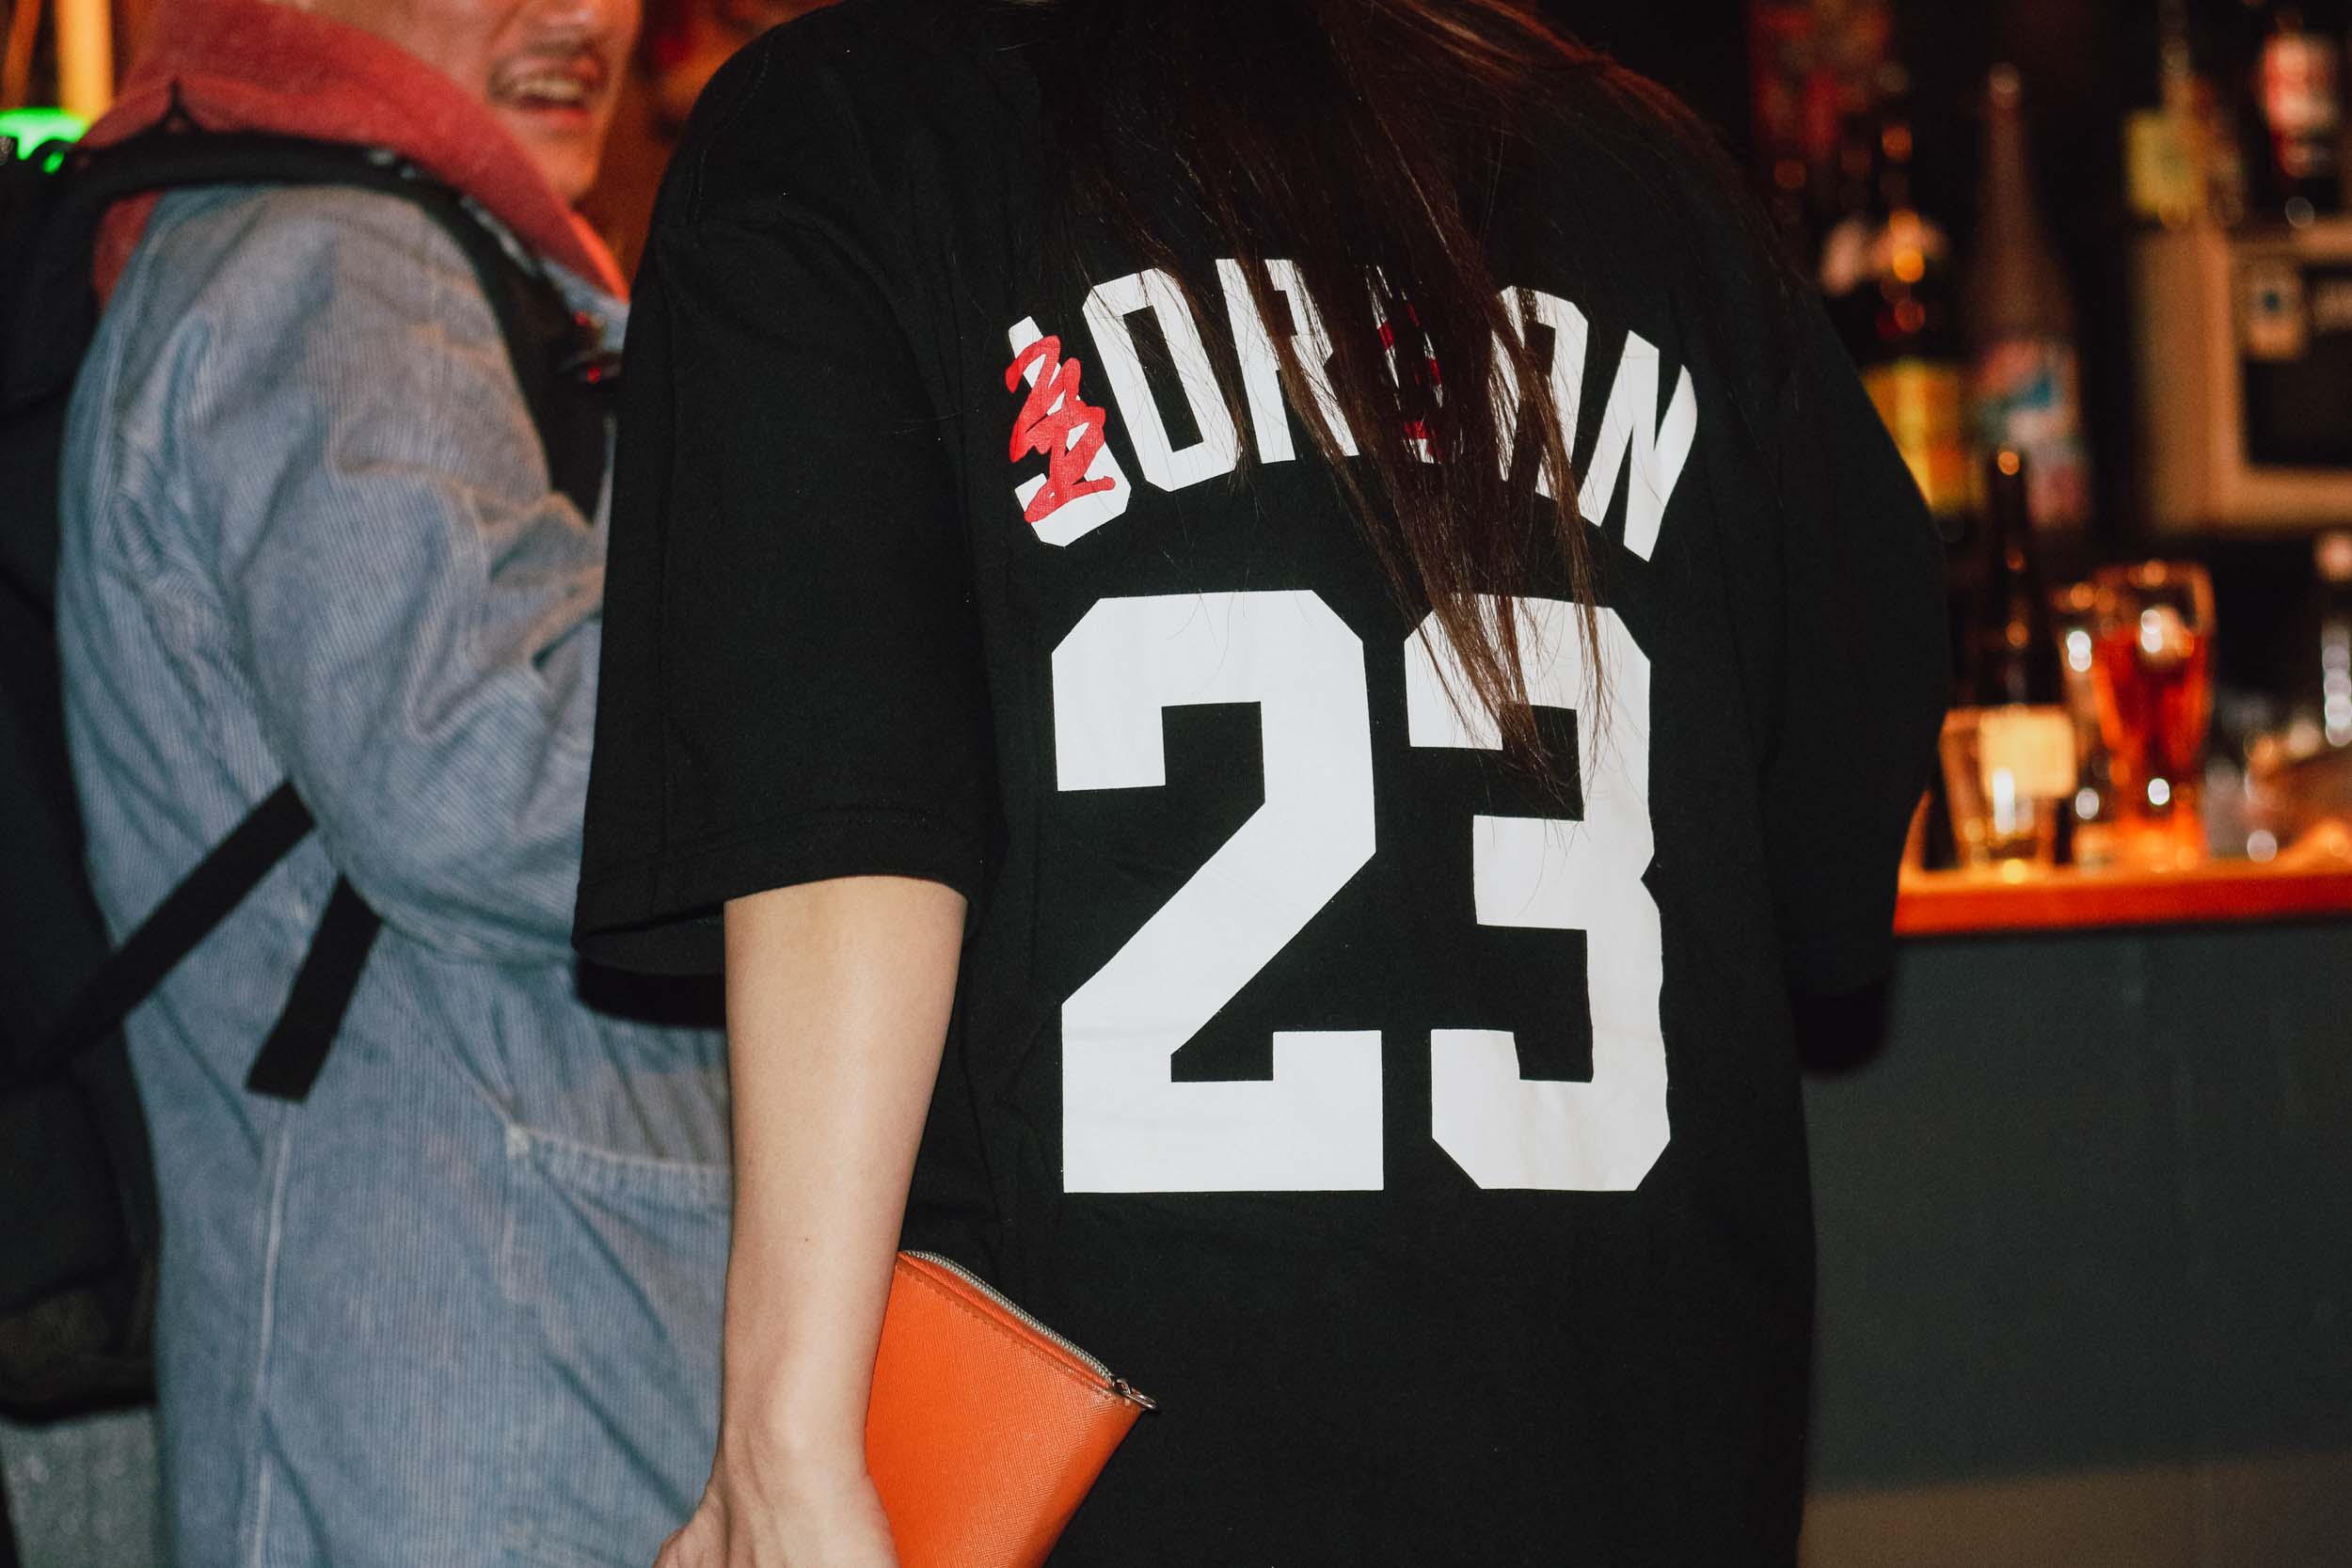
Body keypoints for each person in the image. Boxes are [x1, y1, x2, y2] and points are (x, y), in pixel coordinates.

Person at [574, 0, 1949, 1562]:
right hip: (1631, 1460)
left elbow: (841, 826)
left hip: (1110, 1475)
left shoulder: (849, 125)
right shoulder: (1658, 181)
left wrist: (785, 1446)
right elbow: (1830, 857)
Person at [56, 1, 736, 1562]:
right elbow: (487, 769)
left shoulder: (394, 251)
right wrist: (875, 749)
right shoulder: (341, 267)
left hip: (497, 1347)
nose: (585, 15)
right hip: (467, 1384)